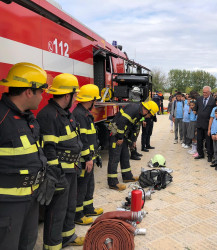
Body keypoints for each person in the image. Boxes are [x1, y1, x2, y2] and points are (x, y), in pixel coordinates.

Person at [0, 62, 48, 250]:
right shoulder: (2, 118)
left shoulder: (28, 118)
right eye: (41, 91)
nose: (43, 96)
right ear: (29, 91)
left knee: (27, 243)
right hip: (8, 205)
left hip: (31, 199)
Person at [37, 73, 84, 247]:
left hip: (70, 170)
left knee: (69, 207)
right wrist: (56, 176)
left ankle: (67, 237)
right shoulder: (49, 115)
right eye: (75, 94)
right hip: (59, 174)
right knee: (56, 212)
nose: (76, 97)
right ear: (67, 95)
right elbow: (49, 150)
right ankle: (53, 244)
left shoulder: (64, 113)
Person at [107, 101, 159, 190]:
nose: (149, 117)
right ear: (147, 110)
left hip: (123, 135)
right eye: (150, 115)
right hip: (116, 134)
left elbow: (134, 127)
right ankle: (112, 182)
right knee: (114, 158)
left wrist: (133, 141)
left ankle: (127, 176)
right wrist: (119, 138)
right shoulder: (133, 109)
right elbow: (121, 122)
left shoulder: (139, 113)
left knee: (125, 155)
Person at [72, 84, 104, 226]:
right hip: (85, 158)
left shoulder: (84, 113)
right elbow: (82, 140)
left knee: (89, 184)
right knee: (82, 186)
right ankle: (78, 215)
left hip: (89, 156)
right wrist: (87, 158)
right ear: (90, 100)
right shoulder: (80, 114)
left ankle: (88, 208)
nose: (95, 103)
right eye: (94, 100)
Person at [194, 86, 216, 162]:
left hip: (208, 124)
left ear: (210, 92)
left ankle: (210, 155)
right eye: (203, 92)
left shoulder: (213, 100)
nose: (204, 93)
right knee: (199, 140)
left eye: (206, 92)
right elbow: (196, 109)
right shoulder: (199, 99)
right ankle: (200, 154)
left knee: (209, 141)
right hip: (200, 123)